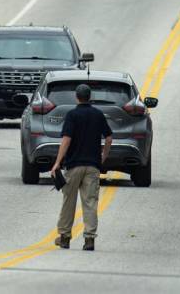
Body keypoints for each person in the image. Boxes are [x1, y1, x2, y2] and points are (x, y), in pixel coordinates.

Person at [50, 84, 113, 252]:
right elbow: (108, 138)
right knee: (90, 202)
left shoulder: (72, 115)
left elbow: (66, 139)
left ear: (76, 97)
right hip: (92, 166)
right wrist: (103, 157)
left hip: (73, 165)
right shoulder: (98, 115)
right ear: (89, 96)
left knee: (68, 202)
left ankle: (64, 237)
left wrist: (58, 162)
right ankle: (89, 239)